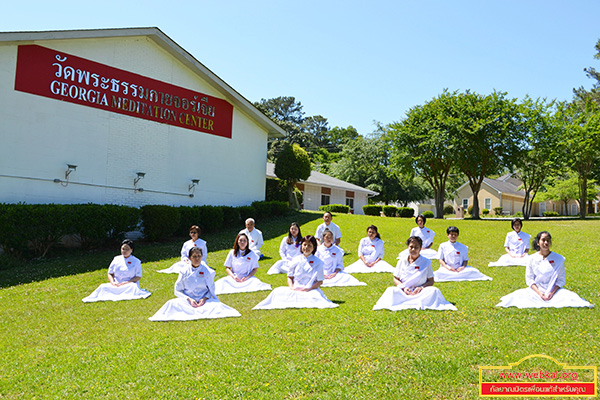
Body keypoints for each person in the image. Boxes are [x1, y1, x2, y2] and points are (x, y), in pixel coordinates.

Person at [496, 231, 593, 308]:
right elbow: (529, 279)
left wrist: (551, 293)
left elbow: (561, 280)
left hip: (554, 292)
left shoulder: (559, 259)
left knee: (570, 297)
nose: (546, 243)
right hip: (536, 292)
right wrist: (539, 293)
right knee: (518, 295)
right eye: (543, 240)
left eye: (548, 240)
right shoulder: (531, 259)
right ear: (538, 242)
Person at [149, 247, 241, 321]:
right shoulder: (184, 271)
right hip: (188, 301)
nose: (197, 259)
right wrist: (189, 299)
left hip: (204, 301)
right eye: (194, 257)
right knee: (171, 304)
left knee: (217, 306)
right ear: (190, 258)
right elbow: (177, 290)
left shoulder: (208, 271)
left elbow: (211, 289)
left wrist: (204, 299)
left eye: (199, 256)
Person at [253, 235, 338, 310]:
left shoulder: (318, 262)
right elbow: (290, 277)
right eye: (304, 245)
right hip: (295, 289)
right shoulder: (296, 260)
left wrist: (308, 289)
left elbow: (320, 281)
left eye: (309, 245)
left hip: (310, 291)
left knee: (314, 297)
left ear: (314, 247)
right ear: (301, 246)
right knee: (276, 292)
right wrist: (292, 288)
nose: (306, 247)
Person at [373, 236, 457, 311]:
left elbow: (431, 280)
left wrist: (421, 288)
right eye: (411, 247)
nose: (413, 250)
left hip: (421, 292)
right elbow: (395, 278)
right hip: (404, 292)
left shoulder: (426, 262)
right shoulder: (401, 261)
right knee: (391, 290)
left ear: (420, 248)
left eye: (416, 247)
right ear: (408, 248)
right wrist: (404, 288)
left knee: (434, 291)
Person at [83, 239, 151, 302]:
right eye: (123, 249)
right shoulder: (116, 259)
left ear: (131, 250)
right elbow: (110, 273)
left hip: (129, 284)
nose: (124, 251)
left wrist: (127, 282)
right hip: (116, 284)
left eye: (127, 249)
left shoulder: (136, 261)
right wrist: (113, 282)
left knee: (133, 287)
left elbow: (138, 276)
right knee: (103, 286)